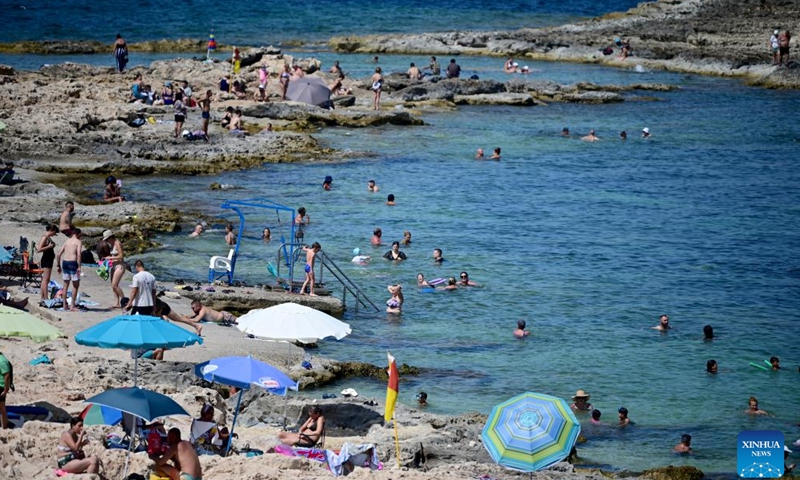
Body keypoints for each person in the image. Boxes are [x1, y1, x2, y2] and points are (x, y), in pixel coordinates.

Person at [97, 230, 127, 309]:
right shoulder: (112, 244)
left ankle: (125, 301)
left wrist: (110, 257)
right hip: (114, 265)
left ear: (111, 237)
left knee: (115, 285)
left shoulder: (117, 243)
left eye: (107, 240)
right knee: (113, 286)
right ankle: (116, 303)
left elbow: (121, 256)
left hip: (120, 265)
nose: (107, 241)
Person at [56, 228, 82, 311]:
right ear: (78, 234)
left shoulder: (67, 241)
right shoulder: (78, 242)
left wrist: (58, 265)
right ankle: (72, 306)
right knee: (75, 285)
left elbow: (58, 254)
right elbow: (78, 254)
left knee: (65, 285)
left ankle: (64, 305)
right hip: (73, 263)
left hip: (65, 263)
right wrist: (79, 266)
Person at [37, 225, 59, 302]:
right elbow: (39, 249)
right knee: (45, 280)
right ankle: (45, 298)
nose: (54, 234)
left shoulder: (48, 238)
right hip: (46, 260)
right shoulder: (45, 237)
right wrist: (49, 246)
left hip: (48, 260)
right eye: (54, 232)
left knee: (45, 280)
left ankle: (43, 298)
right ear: (51, 230)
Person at [0, 351, 11, 429]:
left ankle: (4, 427)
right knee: (1, 406)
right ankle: (4, 426)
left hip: (0, 386)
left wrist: (6, 389)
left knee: (2, 407)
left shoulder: (2, 361)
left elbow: (7, 375)